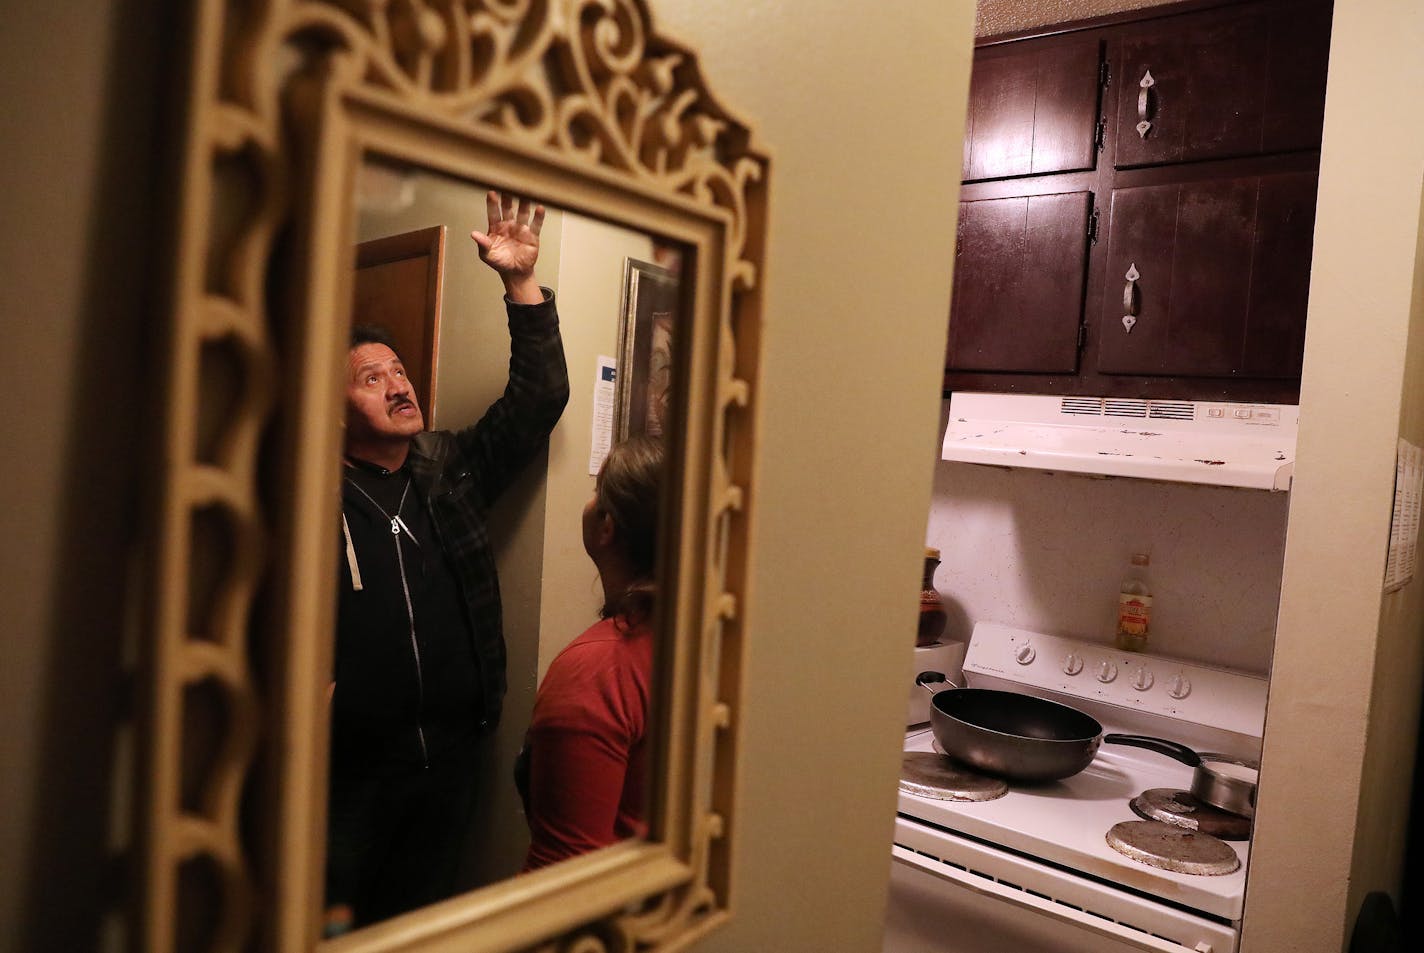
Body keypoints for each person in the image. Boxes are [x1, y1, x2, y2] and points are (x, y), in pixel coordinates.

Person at [325, 191, 569, 933]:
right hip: (346, 781)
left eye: (398, 369)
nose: (399, 383)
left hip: (451, 767)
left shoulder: (448, 467)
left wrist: (519, 284)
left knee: (421, 927)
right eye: (372, 378)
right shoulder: (307, 493)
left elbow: (539, 398)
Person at [519, 435, 665, 871]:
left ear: (607, 527)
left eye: (597, 490)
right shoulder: (701, 636)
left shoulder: (598, 670)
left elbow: (564, 872)